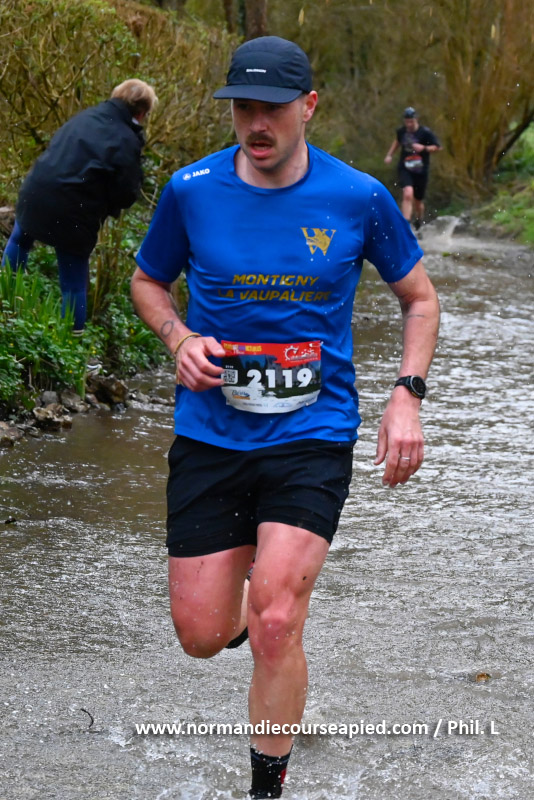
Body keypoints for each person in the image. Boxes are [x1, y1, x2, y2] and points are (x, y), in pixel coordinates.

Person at [131, 36, 439, 799]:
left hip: (313, 432)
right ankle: (251, 620)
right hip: (210, 431)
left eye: (272, 108)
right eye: (243, 107)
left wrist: (406, 395)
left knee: (276, 619)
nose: (256, 123)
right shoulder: (191, 189)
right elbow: (147, 281)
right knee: (202, 634)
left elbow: (420, 300)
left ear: (309, 106)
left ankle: (267, 787)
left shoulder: (359, 196)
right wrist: (179, 338)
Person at [1, 79, 158, 332]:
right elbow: (126, 193)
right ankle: (72, 340)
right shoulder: (126, 138)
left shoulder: (84, 117)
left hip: (36, 190)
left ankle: (4, 301)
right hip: (74, 210)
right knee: (73, 280)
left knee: (20, 240)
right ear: (141, 113)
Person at [384, 106, 441, 230]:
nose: (409, 124)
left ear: (417, 119)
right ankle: (405, 226)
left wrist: (424, 148)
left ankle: (419, 221)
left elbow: (437, 147)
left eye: (411, 121)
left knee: (418, 202)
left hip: (421, 170)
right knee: (408, 194)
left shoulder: (425, 133)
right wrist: (389, 155)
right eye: (407, 122)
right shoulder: (401, 131)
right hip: (405, 168)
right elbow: (397, 142)